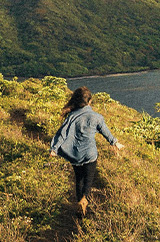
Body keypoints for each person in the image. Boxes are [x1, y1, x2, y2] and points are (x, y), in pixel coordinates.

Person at [48, 86, 122, 217]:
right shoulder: (96, 116)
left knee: (79, 180)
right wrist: (115, 142)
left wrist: (54, 149)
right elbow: (105, 131)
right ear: (90, 101)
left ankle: (79, 209)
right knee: (88, 180)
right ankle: (84, 200)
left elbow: (62, 134)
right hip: (90, 154)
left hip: (75, 156)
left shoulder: (71, 117)